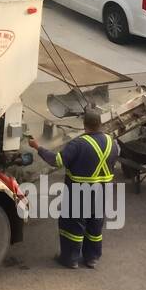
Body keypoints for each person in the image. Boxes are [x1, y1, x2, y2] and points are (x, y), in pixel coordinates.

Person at [27, 107, 115, 269]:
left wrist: (37, 147)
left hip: (78, 193)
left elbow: (57, 161)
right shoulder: (112, 142)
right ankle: (92, 258)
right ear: (100, 124)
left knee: (72, 226)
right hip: (101, 194)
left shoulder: (79, 144)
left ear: (84, 124)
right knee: (94, 227)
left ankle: (70, 259)